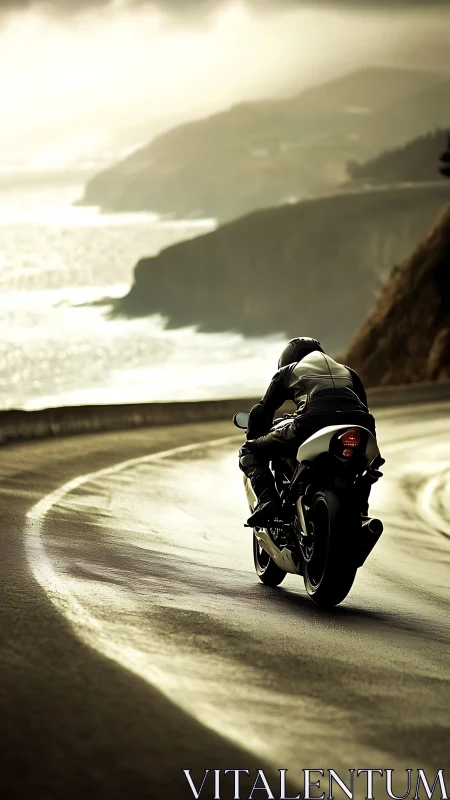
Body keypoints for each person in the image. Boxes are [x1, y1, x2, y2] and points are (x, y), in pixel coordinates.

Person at [239, 337, 381, 528]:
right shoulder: (348, 372)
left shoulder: (289, 371)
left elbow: (262, 411)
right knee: (368, 467)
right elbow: (364, 411)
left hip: (311, 422)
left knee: (249, 450)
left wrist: (256, 437)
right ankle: (361, 511)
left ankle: (268, 501)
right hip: (359, 424)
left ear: (289, 359)